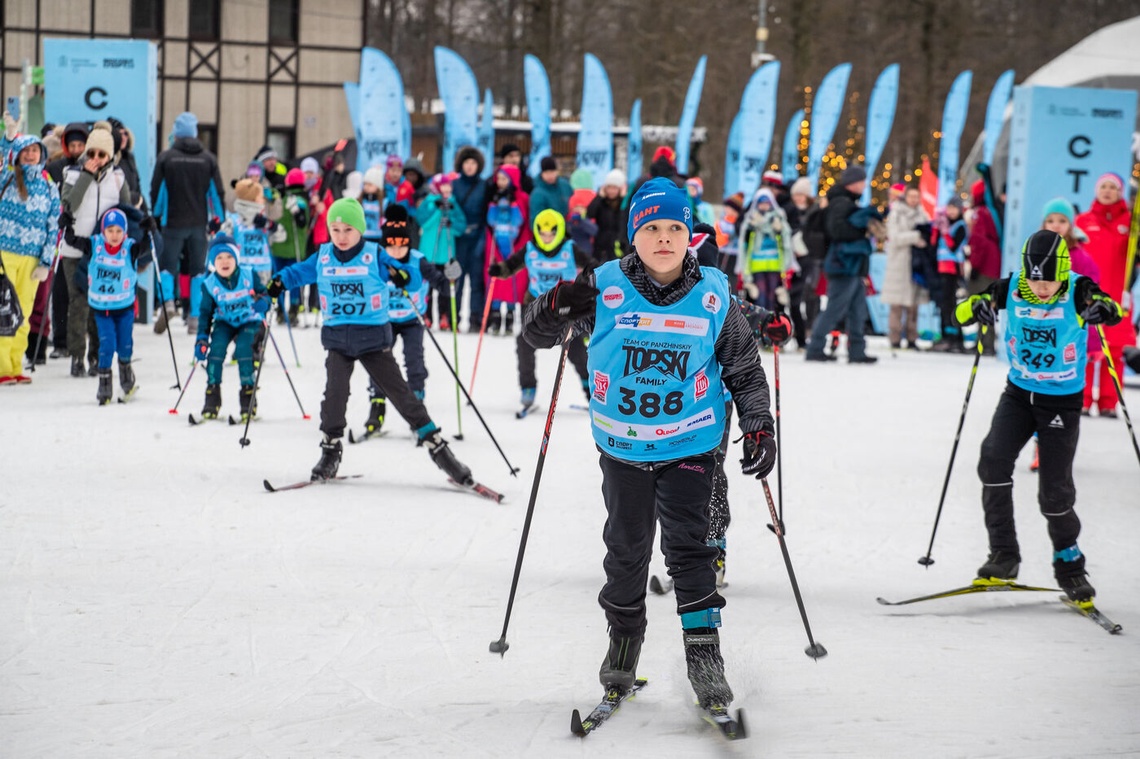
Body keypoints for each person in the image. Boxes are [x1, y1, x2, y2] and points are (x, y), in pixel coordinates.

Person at [521, 177, 779, 712]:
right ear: (633, 235)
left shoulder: (713, 293)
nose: (665, 238)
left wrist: (757, 424)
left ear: (691, 235)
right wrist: (553, 306)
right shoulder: (604, 285)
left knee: (690, 548)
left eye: (676, 228)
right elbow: (536, 335)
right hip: (624, 447)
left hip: (691, 442)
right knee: (627, 549)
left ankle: (705, 656)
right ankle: (623, 646)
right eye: (652, 228)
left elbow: (745, 368)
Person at [955, 229, 1123, 604]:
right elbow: (962, 310)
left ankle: (1070, 564)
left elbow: (1112, 308)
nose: (1041, 287)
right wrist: (976, 308)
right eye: (1035, 279)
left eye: (1048, 280)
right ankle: (1004, 555)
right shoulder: (1010, 286)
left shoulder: (1078, 289)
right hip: (1018, 394)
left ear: (1062, 271)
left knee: (1054, 492)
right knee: (993, 462)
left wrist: (1105, 310)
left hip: (1061, 401)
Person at [267, 197, 473, 485]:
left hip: (372, 339)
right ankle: (330, 451)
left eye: (348, 230)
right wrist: (278, 282)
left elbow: (410, 278)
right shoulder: (323, 255)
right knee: (334, 396)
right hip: (337, 339)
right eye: (335, 229)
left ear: (361, 230)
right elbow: (298, 273)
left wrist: (404, 276)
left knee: (402, 394)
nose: (341, 236)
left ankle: (439, 449)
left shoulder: (374, 255)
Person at [488, 209, 594, 409]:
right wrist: (498, 270)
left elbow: (592, 267)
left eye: (551, 234)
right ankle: (528, 388)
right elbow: (510, 266)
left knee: (576, 349)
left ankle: (590, 389)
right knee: (524, 343)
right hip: (535, 304)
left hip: (565, 306)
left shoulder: (569, 248)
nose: (546, 238)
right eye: (543, 234)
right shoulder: (530, 249)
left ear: (559, 231)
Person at [360, 205, 448, 437]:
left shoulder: (418, 260)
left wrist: (448, 281)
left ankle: (417, 412)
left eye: (402, 245)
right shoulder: (377, 262)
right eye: (391, 245)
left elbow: (437, 279)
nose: (397, 250)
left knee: (414, 362)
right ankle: (376, 408)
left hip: (411, 320)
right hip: (384, 321)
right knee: (379, 363)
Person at [59, 122, 132, 377]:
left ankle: (96, 356)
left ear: (110, 156)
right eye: (91, 154)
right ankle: (76, 356)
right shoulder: (72, 174)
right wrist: (86, 177)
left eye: (102, 154)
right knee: (78, 303)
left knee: (99, 304)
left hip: (103, 253)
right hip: (75, 247)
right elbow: (70, 206)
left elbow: (126, 213)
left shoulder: (118, 178)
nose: (96, 159)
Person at [64, 208, 154, 404]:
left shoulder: (129, 249)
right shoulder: (94, 245)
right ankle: (104, 385)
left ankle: (126, 377)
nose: (114, 235)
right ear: (103, 231)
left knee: (125, 345)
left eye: (118, 231)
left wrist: (149, 230)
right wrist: (66, 225)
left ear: (125, 233)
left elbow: (147, 248)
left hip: (124, 309)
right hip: (102, 310)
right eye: (110, 230)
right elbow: (72, 241)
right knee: (107, 345)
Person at [151, 112, 225, 335]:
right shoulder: (208, 159)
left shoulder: (166, 158)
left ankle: (168, 303)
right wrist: (217, 219)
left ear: (176, 132)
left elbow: (157, 190)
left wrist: (156, 215)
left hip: (172, 222)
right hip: (198, 223)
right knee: (197, 270)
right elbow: (216, 191)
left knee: (167, 266)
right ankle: (195, 318)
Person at [0, 116, 59, 385]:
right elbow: (2, 158)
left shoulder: (49, 186)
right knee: (4, 310)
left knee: (23, 313)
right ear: (19, 155)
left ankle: (15, 365)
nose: (32, 155)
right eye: (27, 151)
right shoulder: (8, 178)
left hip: (33, 259)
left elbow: (53, 225)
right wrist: (9, 137)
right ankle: (2, 368)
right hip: (5, 255)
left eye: (35, 151)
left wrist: (46, 261)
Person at [805, 165, 882, 363]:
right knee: (834, 309)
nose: (865, 185)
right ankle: (815, 348)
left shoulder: (847, 202)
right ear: (852, 183)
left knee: (858, 310)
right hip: (843, 264)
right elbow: (836, 231)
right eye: (862, 181)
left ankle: (857, 350)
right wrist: (863, 230)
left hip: (851, 265)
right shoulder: (840, 202)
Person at [1075, 173, 1136, 418]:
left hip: (1118, 296)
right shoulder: (1083, 221)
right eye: (1104, 187)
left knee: (1115, 351)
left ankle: (1109, 402)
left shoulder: (1131, 224)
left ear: (1120, 193)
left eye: (1113, 187)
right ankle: (1085, 398)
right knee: (1087, 349)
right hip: (1090, 295)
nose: (1108, 191)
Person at [194, 235, 269, 421]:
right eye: (219, 258)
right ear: (213, 262)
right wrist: (202, 338)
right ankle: (212, 398)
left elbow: (266, 293)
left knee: (244, 350)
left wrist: (264, 302)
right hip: (224, 322)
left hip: (249, 320)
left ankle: (248, 398)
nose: (224, 262)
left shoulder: (248, 274)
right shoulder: (210, 284)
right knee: (216, 351)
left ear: (236, 258)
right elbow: (205, 313)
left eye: (228, 257)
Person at [882, 185, 930, 350]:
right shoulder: (896, 213)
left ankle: (911, 337)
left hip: (916, 265)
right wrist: (916, 237)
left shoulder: (923, 214)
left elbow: (928, 234)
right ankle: (894, 337)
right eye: (911, 197)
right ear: (905, 197)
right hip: (899, 263)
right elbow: (894, 237)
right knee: (897, 304)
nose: (914, 200)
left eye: (916, 197)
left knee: (913, 305)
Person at [416, 172, 466, 329]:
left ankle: (445, 315)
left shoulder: (453, 203)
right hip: (429, 253)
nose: (446, 188)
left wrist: (451, 220)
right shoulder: (429, 202)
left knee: (445, 285)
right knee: (428, 287)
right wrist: (437, 211)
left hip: (446, 254)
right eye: (443, 185)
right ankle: (427, 315)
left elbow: (461, 225)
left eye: (448, 185)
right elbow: (422, 221)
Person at [484, 164, 530, 335]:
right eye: (499, 179)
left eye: (504, 179)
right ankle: (495, 318)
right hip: (498, 241)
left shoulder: (520, 198)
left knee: (512, 280)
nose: (501, 183)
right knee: (496, 281)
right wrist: (495, 204)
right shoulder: (495, 197)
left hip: (513, 241)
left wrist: (512, 204)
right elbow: (490, 220)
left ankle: (510, 317)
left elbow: (520, 220)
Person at [737, 187, 792, 312]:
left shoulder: (777, 218)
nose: (764, 206)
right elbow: (744, 245)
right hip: (756, 265)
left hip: (775, 265)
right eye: (761, 203)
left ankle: (770, 325)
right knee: (760, 298)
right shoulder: (751, 220)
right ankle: (762, 324)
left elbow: (786, 241)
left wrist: (779, 230)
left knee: (772, 298)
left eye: (766, 203)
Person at [451, 146, 488, 331]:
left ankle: (476, 319)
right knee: (456, 280)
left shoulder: (484, 185)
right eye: (467, 162)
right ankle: (453, 319)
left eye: (473, 163)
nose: (470, 166)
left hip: (477, 237)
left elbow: (486, 214)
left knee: (476, 282)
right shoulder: (454, 185)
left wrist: (482, 240)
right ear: (461, 164)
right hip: (458, 239)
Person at [270, 168, 310, 325]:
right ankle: (293, 308)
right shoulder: (302, 200)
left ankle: (280, 310)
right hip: (295, 247)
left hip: (278, 246)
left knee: (279, 278)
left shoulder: (281, 198)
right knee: (293, 279)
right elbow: (302, 223)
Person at [783, 177, 819, 349]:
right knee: (785, 300)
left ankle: (802, 339)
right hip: (788, 260)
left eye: (801, 195)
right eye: (796, 194)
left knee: (798, 300)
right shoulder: (788, 210)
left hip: (807, 260)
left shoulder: (814, 211)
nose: (798, 198)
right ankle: (781, 337)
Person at [966, 180, 1001, 354]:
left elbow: (978, 242)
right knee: (988, 304)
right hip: (993, 264)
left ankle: (985, 343)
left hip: (984, 267)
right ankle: (985, 341)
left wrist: (974, 265)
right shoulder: (990, 212)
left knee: (982, 303)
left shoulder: (979, 213)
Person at [931, 198, 968, 353]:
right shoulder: (945, 224)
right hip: (941, 268)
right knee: (943, 303)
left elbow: (953, 246)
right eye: (949, 208)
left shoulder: (960, 226)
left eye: (954, 208)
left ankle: (954, 337)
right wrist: (936, 228)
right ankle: (946, 333)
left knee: (951, 303)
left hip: (953, 269)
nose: (951, 211)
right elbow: (933, 244)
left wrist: (945, 232)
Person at [587, 169, 628, 263]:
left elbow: (623, 221)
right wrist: (599, 197)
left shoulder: (624, 204)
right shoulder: (601, 202)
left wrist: (623, 200)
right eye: (609, 187)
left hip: (618, 247)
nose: (611, 191)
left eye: (614, 187)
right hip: (601, 248)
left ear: (620, 189)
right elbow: (590, 213)